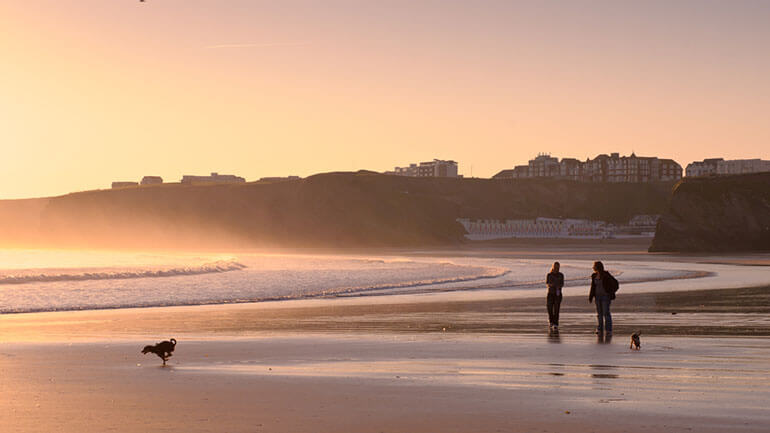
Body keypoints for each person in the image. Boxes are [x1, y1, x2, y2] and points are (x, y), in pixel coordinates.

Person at [588, 261, 618, 336]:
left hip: (605, 297)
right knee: (599, 314)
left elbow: (615, 283)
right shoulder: (594, 275)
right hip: (597, 297)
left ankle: (608, 330)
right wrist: (591, 296)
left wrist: (611, 292)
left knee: (606, 313)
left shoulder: (606, 275)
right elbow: (593, 287)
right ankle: (600, 329)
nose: (593, 267)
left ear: (597, 267)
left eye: (594, 266)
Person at [546, 262, 564, 331]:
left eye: (558, 267)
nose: (556, 269)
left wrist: (557, 286)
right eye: (555, 267)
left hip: (558, 294)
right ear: (553, 267)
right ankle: (551, 321)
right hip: (550, 293)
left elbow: (562, 284)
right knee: (549, 308)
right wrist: (551, 285)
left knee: (556, 309)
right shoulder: (549, 275)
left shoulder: (561, 275)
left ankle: (556, 323)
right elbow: (547, 283)